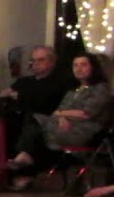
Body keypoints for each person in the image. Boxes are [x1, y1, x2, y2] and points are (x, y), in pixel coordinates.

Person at [7, 53, 111, 189]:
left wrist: (61, 115)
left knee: (38, 127)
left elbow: (86, 113)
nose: (79, 69)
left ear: (93, 67)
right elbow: (57, 112)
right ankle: (25, 168)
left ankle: (24, 159)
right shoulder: (73, 91)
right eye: (75, 65)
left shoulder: (101, 89)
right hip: (63, 127)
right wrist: (61, 118)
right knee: (34, 127)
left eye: (83, 65)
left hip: (85, 131)